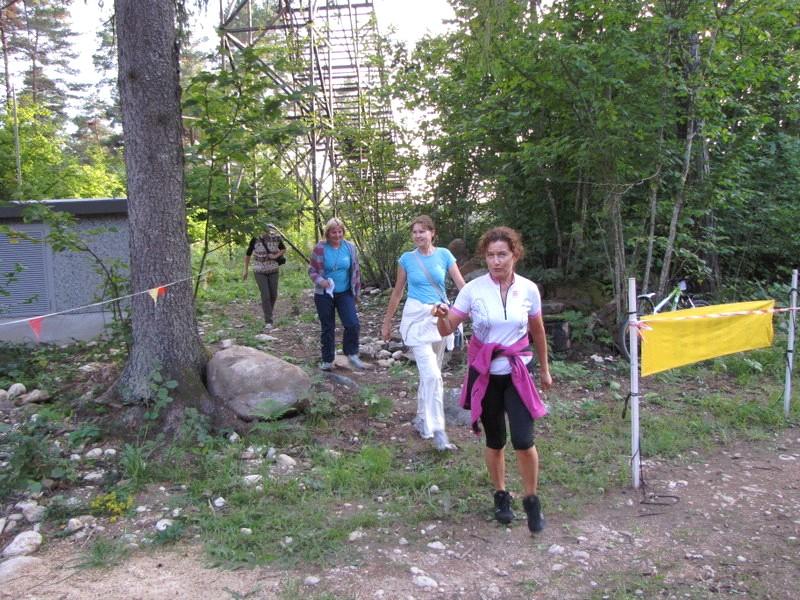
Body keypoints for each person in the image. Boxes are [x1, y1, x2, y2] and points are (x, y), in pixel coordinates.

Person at [434, 226, 552, 533]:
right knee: (496, 440)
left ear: (515, 254)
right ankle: (501, 495)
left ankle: (531, 500)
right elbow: (447, 329)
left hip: (517, 373)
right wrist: (439, 316)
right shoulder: (473, 290)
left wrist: (545, 369)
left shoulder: (528, 289)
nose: (496, 261)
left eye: (502, 254)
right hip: (486, 375)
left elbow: (537, 331)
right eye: (490, 255)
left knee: (524, 441)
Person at [381, 215, 465, 451]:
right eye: (414, 232)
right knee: (432, 376)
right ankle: (438, 431)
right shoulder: (406, 259)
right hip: (417, 319)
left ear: (432, 233)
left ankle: (421, 417)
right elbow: (398, 293)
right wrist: (387, 322)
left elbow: (461, 285)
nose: (418, 235)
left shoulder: (444, 255)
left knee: (432, 373)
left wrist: (474, 310)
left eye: (422, 231)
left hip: (440, 318)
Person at [308, 217, 367, 371]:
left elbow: (355, 271)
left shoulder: (350, 247)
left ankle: (352, 354)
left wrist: (357, 292)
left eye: (340, 231)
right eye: (333, 232)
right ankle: (327, 360)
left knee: (352, 323)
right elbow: (312, 271)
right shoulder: (320, 248)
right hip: (324, 294)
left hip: (345, 292)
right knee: (328, 327)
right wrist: (321, 281)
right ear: (327, 233)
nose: (337, 235)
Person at [243, 225, 286, 330]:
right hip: (259, 270)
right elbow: (248, 254)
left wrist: (275, 256)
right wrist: (245, 270)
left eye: (266, 231)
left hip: (273, 270)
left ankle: (268, 312)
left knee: (273, 295)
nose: (264, 233)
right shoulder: (255, 239)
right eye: (262, 231)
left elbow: (283, 249)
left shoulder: (276, 238)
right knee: (265, 295)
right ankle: (268, 320)